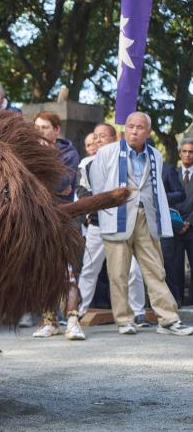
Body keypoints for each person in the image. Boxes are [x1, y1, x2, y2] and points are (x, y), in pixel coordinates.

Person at [91, 111, 192, 335]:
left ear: (147, 132)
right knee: (118, 273)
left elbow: (156, 189)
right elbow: (97, 185)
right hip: (116, 216)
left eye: (139, 127)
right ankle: (124, 319)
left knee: (155, 269)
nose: (134, 131)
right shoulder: (108, 152)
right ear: (124, 129)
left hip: (146, 216)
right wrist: (103, 212)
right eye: (130, 126)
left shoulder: (154, 154)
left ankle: (167, 319)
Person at [76, 124, 149, 325]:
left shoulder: (127, 160)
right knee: (90, 269)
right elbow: (83, 193)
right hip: (98, 224)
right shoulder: (86, 164)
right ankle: (77, 311)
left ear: (114, 137)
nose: (99, 140)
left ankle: (138, 311)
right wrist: (101, 204)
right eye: (96, 137)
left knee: (132, 269)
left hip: (122, 224)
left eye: (103, 136)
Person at [31, 111, 85, 340]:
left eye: (44, 127)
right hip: (39, 218)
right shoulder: (28, 150)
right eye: (37, 127)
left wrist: (41, 176)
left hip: (64, 218)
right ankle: (49, 321)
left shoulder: (69, 153)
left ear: (56, 130)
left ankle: (72, 320)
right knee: (44, 271)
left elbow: (63, 183)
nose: (39, 131)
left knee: (68, 272)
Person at [163, 138, 193, 305]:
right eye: (185, 151)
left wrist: (188, 222)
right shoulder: (172, 173)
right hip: (174, 227)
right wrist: (177, 223)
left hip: (191, 227)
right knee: (175, 265)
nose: (188, 155)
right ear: (180, 153)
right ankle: (178, 299)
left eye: (191, 152)